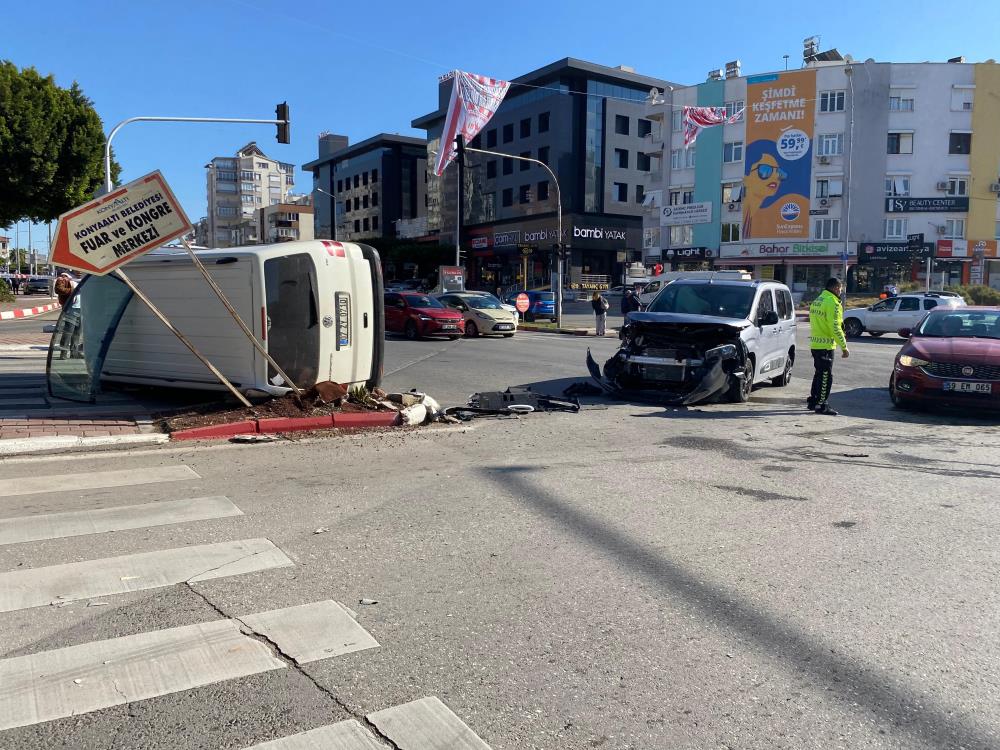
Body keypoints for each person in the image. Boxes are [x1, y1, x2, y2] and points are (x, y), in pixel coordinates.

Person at [808, 277, 850, 415]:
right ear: (836, 288)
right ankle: (822, 405)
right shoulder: (833, 303)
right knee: (826, 376)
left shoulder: (818, 300)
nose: (841, 291)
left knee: (819, 374)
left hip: (815, 343)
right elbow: (835, 327)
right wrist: (844, 346)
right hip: (826, 345)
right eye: (840, 288)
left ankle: (813, 401)